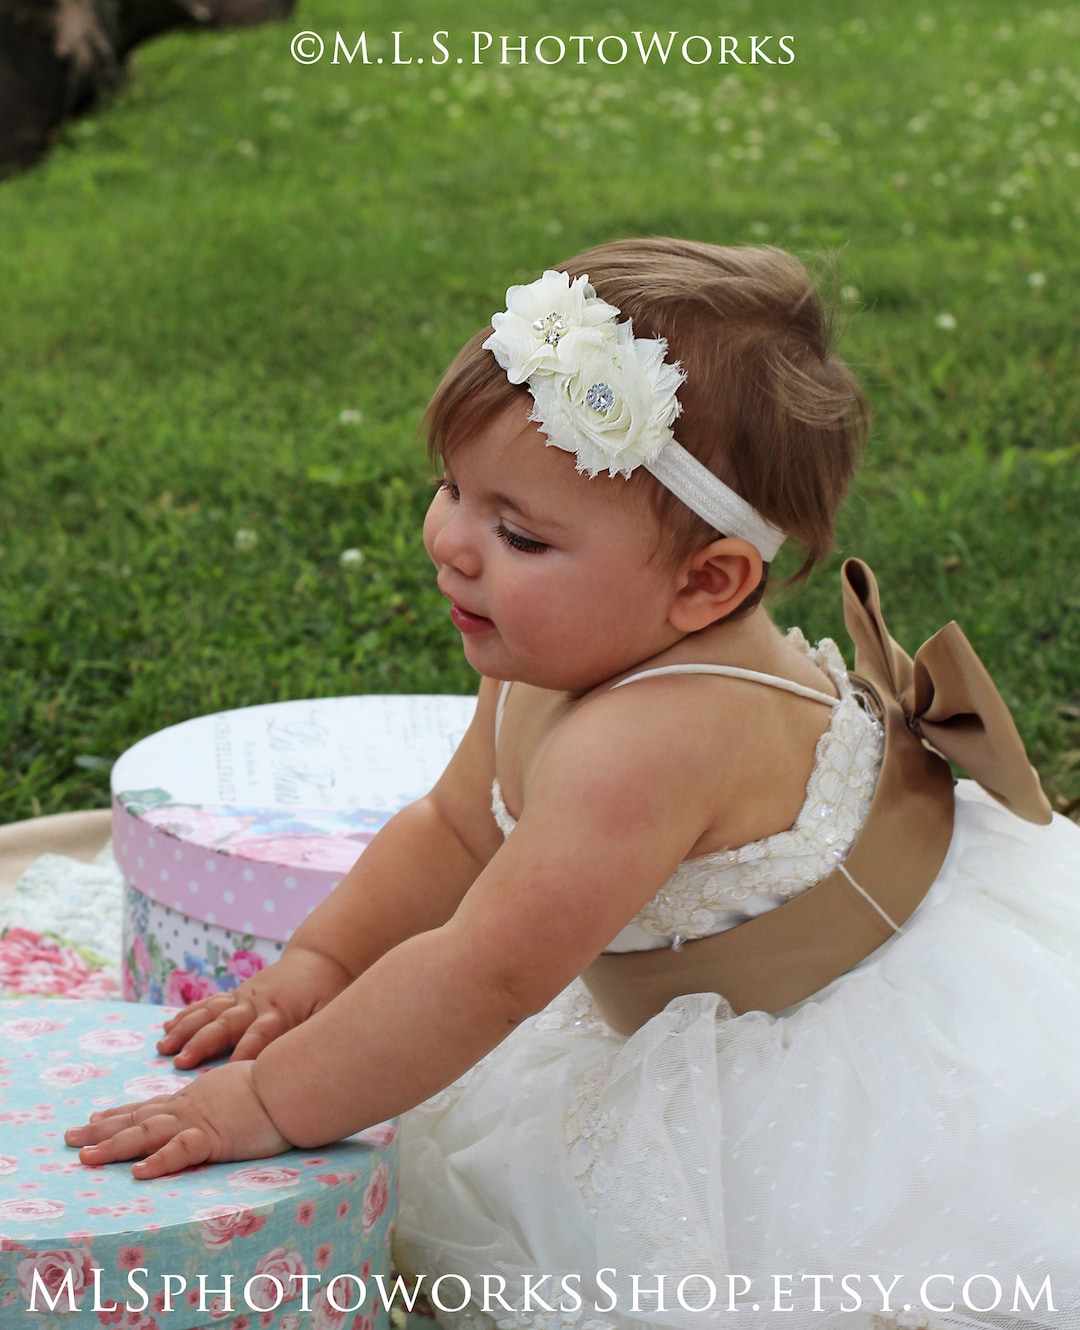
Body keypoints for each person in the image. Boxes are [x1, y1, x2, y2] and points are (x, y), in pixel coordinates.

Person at [67, 239, 1080, 1330]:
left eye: (517, 533)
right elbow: (456, 829)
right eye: (452, 486)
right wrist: (321, 962)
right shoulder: (555, 653)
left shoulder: (649, 740)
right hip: (681, 971)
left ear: (707, 583)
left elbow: (488, 976)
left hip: (846, 1035)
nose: (451, 542)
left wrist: (268, 1099)